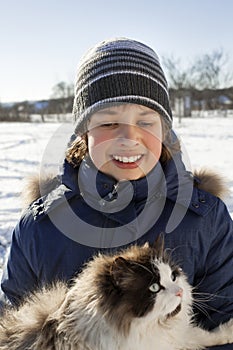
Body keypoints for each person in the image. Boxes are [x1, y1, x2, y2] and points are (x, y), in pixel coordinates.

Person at [1, 38, 233, 349]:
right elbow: (12, 330)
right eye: (109, 122)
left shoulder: (204, 218)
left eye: (146, 121)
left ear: (164, 130)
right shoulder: (39, 228)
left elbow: (224, 328)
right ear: (84, 132)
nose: (129, 137)